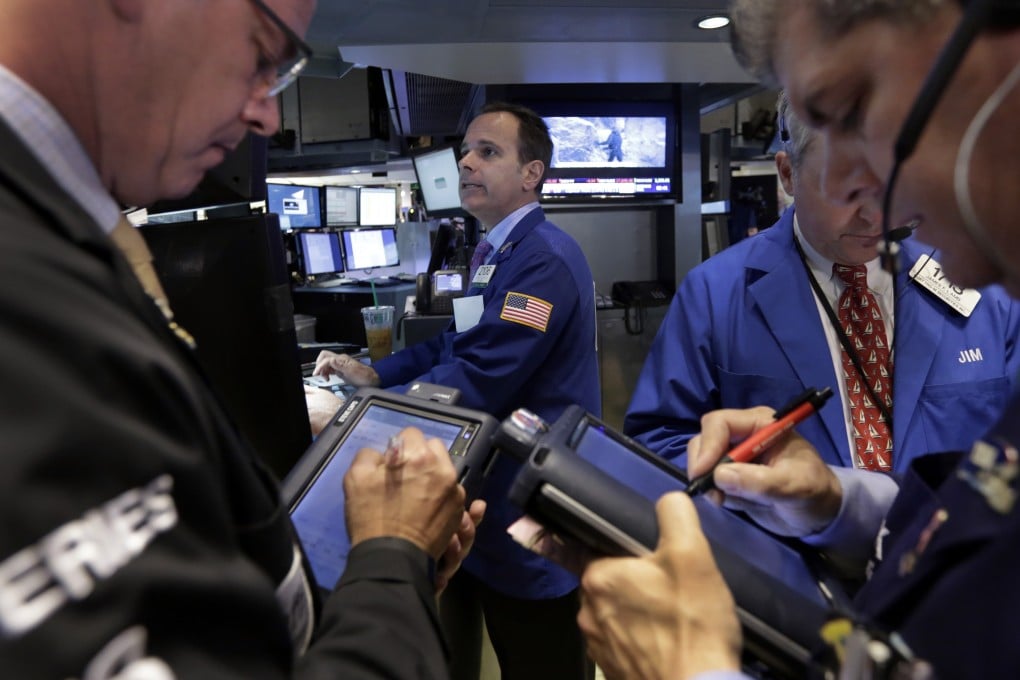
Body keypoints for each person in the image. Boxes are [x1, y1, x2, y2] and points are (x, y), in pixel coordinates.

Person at [0, 0, 484, 677]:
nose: (268, 117)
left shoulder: (69, 240)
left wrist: (353, 601)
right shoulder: (29, 282)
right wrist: (390, 559)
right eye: (262, 54)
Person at [565, 1, 1020, 677]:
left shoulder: (968, 284)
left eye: (855, 108)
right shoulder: (716, 291)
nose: (876, 208)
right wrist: (836, 501)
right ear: (785, 175)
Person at [313, 102, 600, 679]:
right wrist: (377, 374)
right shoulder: (497, 251)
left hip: (528, 512)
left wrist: (359, 413)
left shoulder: (542, 260)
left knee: (540, 659)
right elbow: (454, 344)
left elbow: (480, 376)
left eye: (487, 152)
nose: (466, 162)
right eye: (466, 150)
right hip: (488, 506)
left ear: (531, 174)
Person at [624, 90, 1020, 476]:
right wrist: (752, 494)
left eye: (892, 187)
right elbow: (660, 445)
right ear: (787, 174)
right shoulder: (713, 295)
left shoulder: (981, 285)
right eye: (847, 191)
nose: (874, 217)